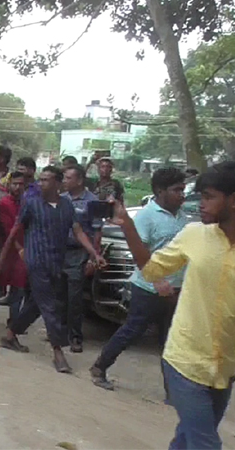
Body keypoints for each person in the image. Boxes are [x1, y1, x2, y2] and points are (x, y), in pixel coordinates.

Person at [108, 161, 235, 449]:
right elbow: (152, 269)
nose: (200, 204)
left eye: (209, 197)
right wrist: (127, 225)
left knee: (187, 439)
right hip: (182, 360)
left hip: (223, 369)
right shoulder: (194, 234)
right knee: (205, 443)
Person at [0, 166, 106, 373]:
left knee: (37, 303)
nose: (41, 183)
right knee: (50, 306)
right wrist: (4, 257)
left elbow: (78, 231)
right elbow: (15, 230)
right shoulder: (31, 203)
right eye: (40, 179)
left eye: (46, 180)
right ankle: (58, 352)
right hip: (36, 261)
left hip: (57, 262)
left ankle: (10, 335)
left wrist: (94, 253)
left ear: (57, 183)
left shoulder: (66, 205)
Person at [89, 167, 188, 390]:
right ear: (160, 191)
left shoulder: (182, 217)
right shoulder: (146, 216)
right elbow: (139, 253)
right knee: (132, 331)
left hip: (176, 288)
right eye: (177, 190)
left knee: (170, 340)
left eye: (183, 190)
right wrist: (156, 280)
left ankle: (172, 391)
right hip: (148, 288)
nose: (182, 195)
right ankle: (99, 367)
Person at [60, 164, 102, 353]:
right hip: (61, 251)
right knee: (60, 295)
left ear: (79, 180)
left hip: (80, 253)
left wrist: (94, 257)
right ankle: (59, 333)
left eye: (68, 178)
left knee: (75, 297)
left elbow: (97, 231)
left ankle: (75, 336)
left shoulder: (92, 202)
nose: (64, 181)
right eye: (64, 177)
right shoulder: (61, 199)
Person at [0, 171, 28, 325]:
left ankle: (15, 321)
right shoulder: (4, 203)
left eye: (21, 184)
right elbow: (9, 230)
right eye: (15, 184)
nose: (18, 187)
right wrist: (20, 249)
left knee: (20, 287)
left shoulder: (29, 202)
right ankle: (13, 322)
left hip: (26, 248)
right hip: (11, 250)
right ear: (9, 185)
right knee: (14, 286)